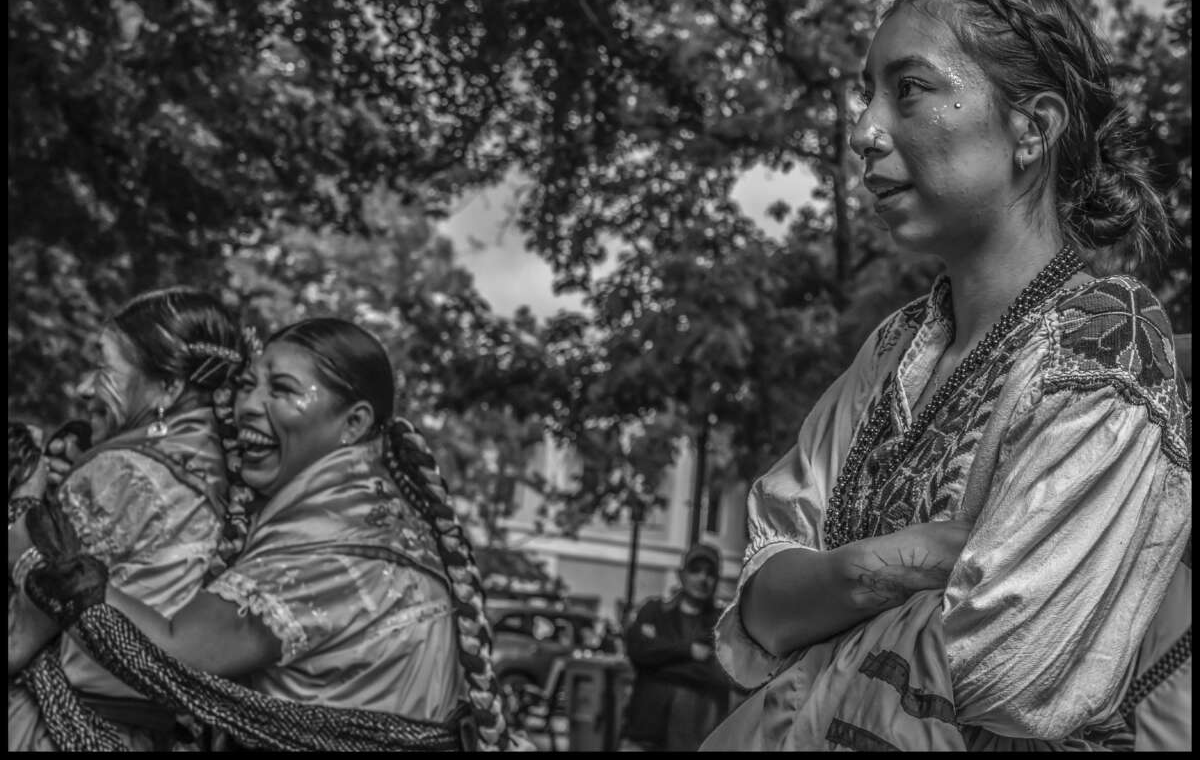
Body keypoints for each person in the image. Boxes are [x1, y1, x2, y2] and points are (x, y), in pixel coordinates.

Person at [700, 0, 1190, 752]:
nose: (863, 129)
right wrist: (900, 562)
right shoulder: (891, 348)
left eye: (910, 89)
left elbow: (1010, 673)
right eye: (868, 93)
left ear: (1032, 128)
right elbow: (758, 604)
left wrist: (825, 603)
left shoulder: (1109, 334)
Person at [17, 318, 524, 751]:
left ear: (354, 423)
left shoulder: (337, 544)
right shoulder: (377, 516)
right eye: (247, 385)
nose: (247, 407)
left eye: (281, 390)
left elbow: (172, 654)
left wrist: (34, 550)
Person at [8, 286, 250, 751]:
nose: (84, 388)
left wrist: (23, 509)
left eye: (103, 369)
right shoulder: (233, 476)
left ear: (167, 388)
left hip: (54, 730)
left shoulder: (122, 474)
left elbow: (17, 640)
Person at [621, 542, 733, 751]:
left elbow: (718, 675)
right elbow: (637, 650)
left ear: (716, 580)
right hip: (643, 734)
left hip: (695, 739)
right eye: (695, 570)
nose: (702, 578)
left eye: (710, 573)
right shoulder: (654, 610)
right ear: (682, 574)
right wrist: (688, 651)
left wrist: (657, 666)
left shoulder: (723, 624)